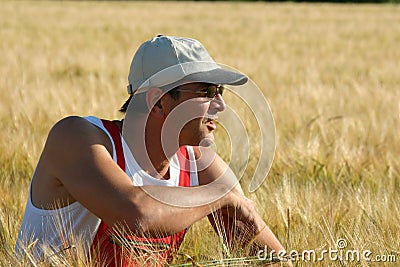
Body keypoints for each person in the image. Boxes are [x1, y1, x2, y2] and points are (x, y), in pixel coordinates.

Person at [16, 35, 287, 266]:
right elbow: (134, 215)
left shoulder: (198, 164)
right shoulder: (77, 137)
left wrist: (232, 205)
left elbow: (271, 259)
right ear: (157, 102)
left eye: (220, 91)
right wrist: (219, 196)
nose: (220, 105)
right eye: (206, 91)